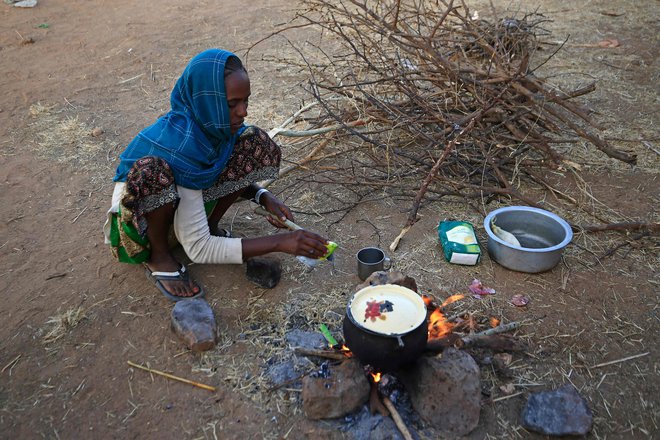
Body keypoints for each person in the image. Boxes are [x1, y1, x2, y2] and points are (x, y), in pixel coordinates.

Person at [103, 49, 329, 301]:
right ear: (205, 100)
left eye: (246, 101)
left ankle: (208, 226)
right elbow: (199, 250)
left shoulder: (212, 127)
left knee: (251, 142)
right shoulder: (181, 147)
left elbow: (224, 168)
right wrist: (282, 242)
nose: (242, 111)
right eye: (232, 104)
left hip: (180, 206)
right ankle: (159, 255)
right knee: (153, 171)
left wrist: (263, 196)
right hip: (139, 231)